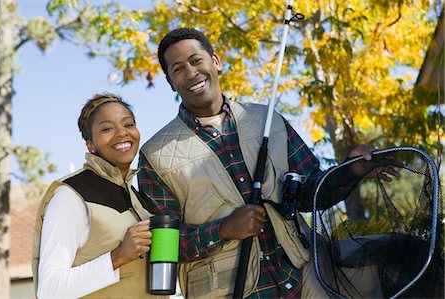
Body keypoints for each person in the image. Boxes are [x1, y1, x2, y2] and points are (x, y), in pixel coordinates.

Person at [137, 28, 394, 298]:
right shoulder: (155, 155)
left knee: (400, 256)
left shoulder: (267, 119)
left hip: (302, 274)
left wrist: (351, 170)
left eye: (196, 60)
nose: (191, 73)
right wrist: (222, 229)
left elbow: (309, 194)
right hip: (234, 290)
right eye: (178, 69)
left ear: (215, 62)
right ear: (170, 82)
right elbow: (163, 246)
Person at [32, 93, 164, 298]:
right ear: (90, 144)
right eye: (107, 128)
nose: (122, 133)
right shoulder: (71, 195)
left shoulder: (142, 203)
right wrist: (117, 257)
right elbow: (49, 290)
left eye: (128, 124)